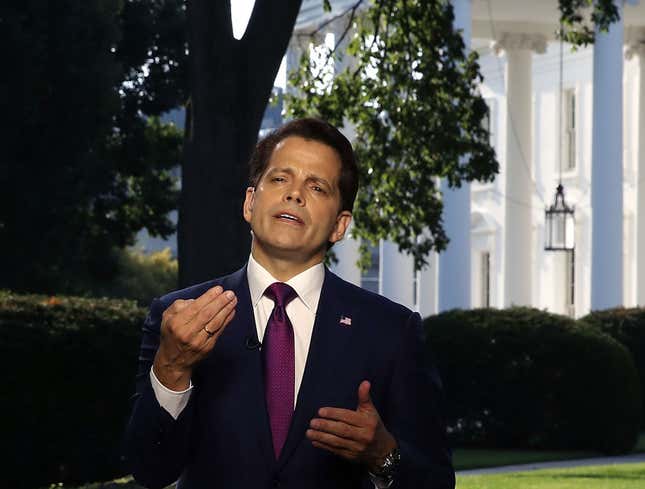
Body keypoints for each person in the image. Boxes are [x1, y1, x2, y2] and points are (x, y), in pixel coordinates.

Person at [125, 118, 455, 488]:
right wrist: (171, 370)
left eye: (317, 187)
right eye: (280, 179)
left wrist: (383, 454)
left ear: (339, 226)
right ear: (250, 202)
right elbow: (150, 471)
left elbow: (437, 481)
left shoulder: (391, 332)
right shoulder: (178, 317)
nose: (294, 194)